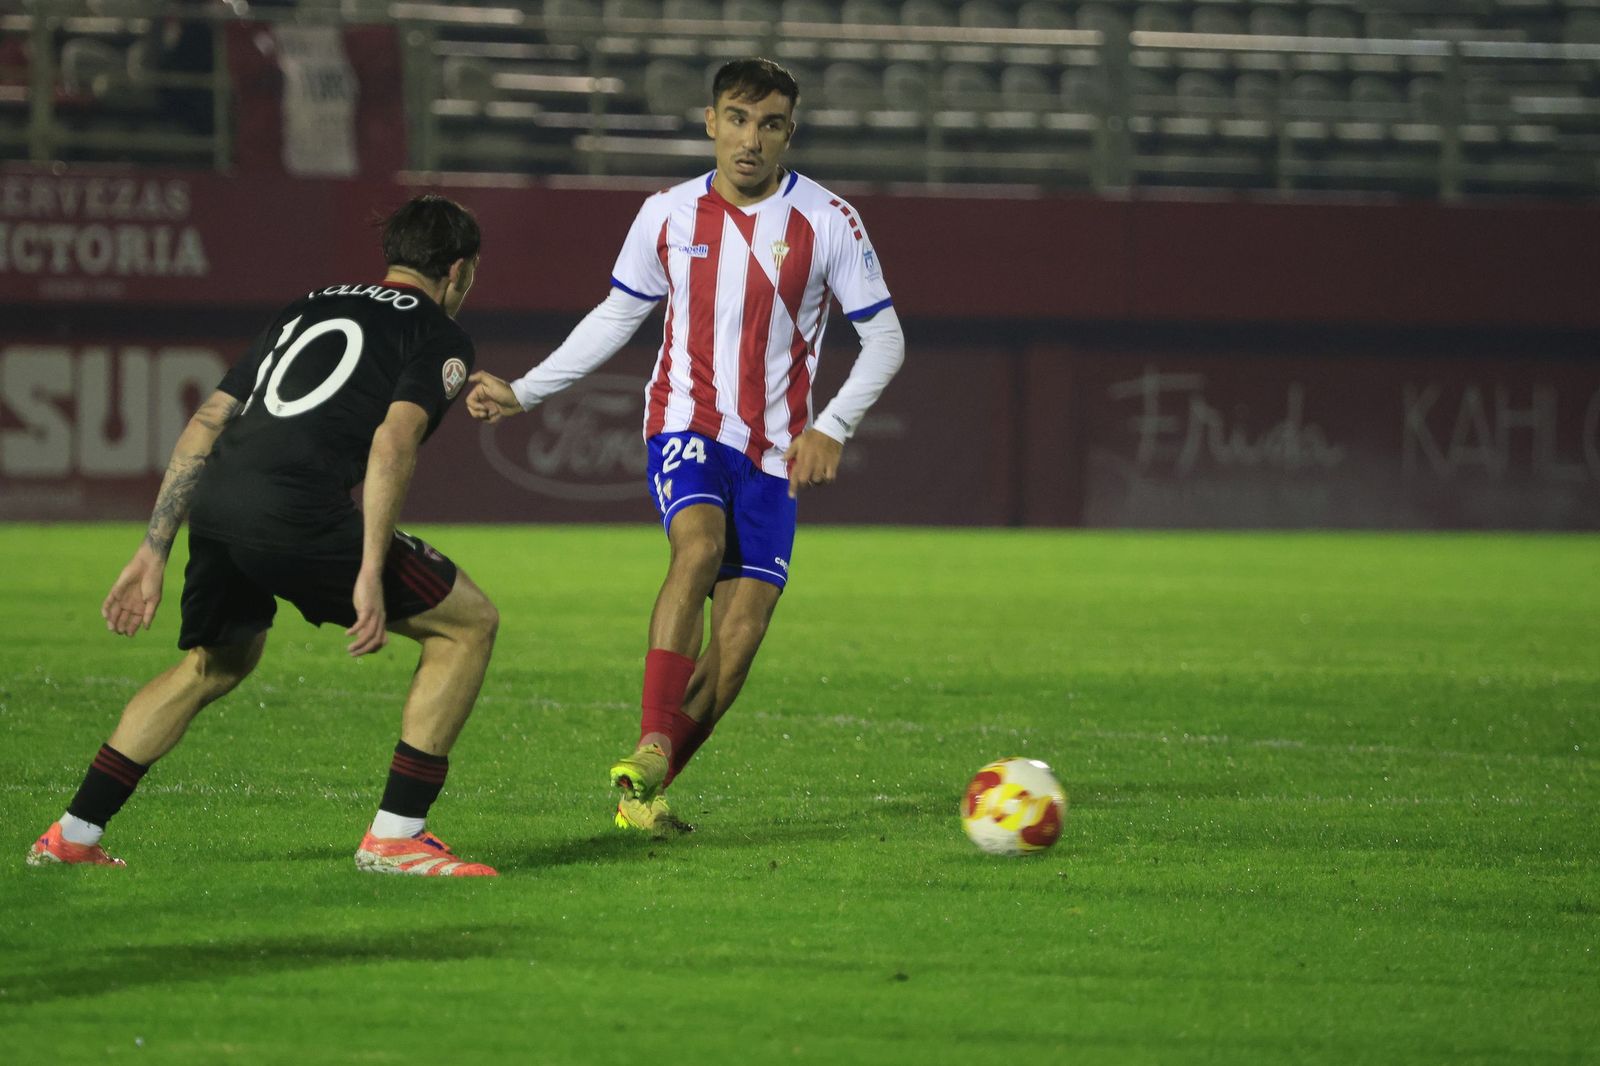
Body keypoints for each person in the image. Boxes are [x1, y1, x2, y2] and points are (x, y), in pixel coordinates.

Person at [467, 58, 905, 836]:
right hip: (687, 423)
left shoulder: (829, 221)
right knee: (696, 548)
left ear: (788, 133)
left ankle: (645, 791)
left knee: (737, 647)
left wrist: (831, 425)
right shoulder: (667, 215)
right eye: (737, 118)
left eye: (769, 124)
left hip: (774, 459)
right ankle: (654, 735)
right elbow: (615, 316)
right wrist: (527, 390)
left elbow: (885, 339)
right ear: (710, 122)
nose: (750, 139)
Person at [27, 194, 500, 877]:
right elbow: (394, 441)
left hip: (218, 501)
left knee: (215, 664)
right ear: (457, 271)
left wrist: (153, 547)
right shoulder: (437, 333)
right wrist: (369, 567)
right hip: (297, 512)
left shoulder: (307, 305)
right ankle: (397, 835)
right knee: (468, 626)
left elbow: (208, 420)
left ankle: (73, 834)